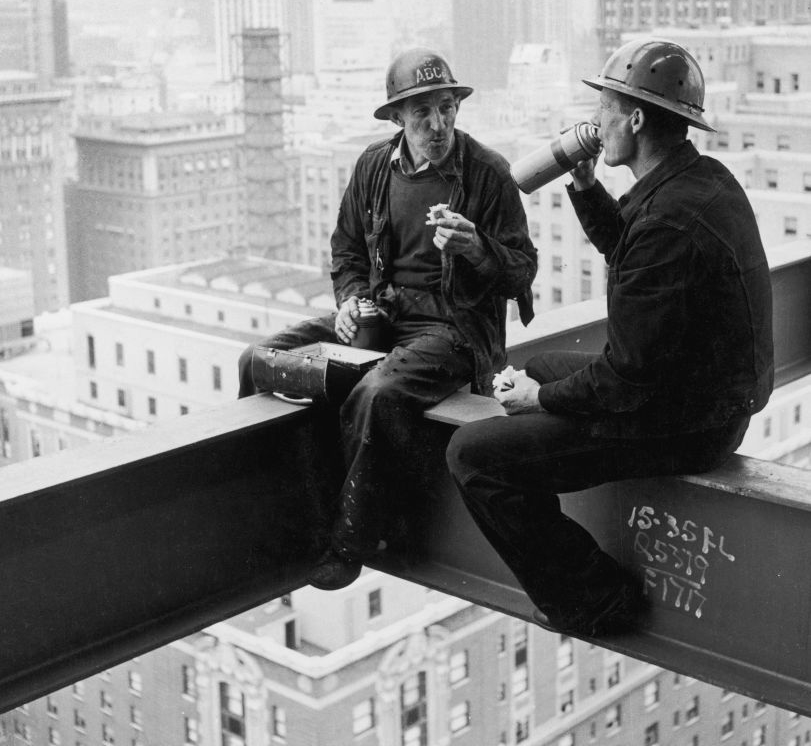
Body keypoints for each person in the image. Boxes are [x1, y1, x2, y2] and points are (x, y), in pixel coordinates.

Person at [446, 38, 774, 638]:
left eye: (607, 109)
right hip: (698, 394)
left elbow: (625, 378)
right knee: (544, 363)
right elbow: (635, 252)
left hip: (687, 424)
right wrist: (583, 185)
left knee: (474, 457)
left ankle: (594, 602)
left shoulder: (669, 222)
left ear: (637, 118)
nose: (596, 122)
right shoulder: (698, 182)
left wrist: (536, 402)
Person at [238, 47, 537, 590]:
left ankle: (351, 540)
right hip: (383, 313)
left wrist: (476, 248)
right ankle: (268, 514)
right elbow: (348, 251)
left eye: (446, 108)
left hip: (453, 329)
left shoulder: (489, 175)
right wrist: (350, 302)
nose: (438, 124)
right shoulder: (374, 167)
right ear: (398, 118)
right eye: (422, 112)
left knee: (379, 394)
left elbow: (521, 272)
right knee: (261, 360)